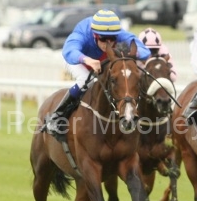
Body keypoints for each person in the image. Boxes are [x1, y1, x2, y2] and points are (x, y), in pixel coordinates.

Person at [44, 9, 151, 142]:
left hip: (101, 60)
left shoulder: (117, 32)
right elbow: (69, 51)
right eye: (103, 39)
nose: (108, 43)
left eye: (112, 39)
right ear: (95, 35)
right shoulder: (83, 32)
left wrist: (133, 55)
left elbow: (144, 50)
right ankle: (57, 116)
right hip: (77, 60)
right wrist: (86, 60)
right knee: (85, 80)